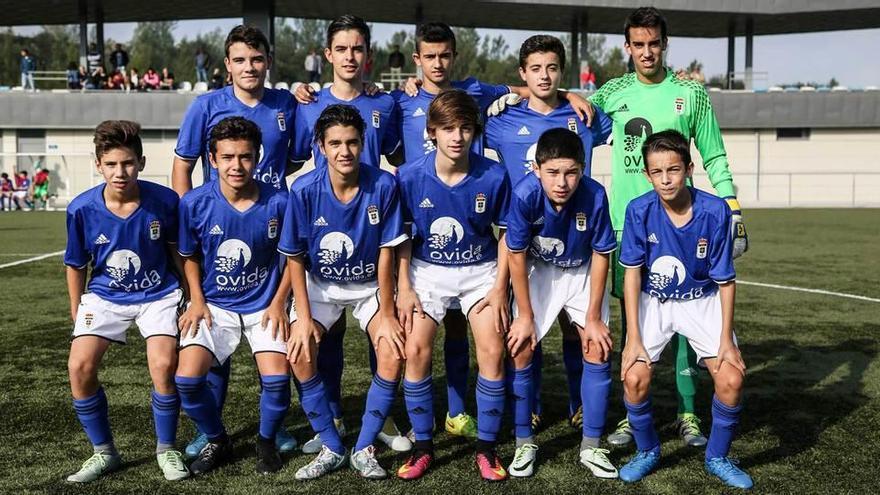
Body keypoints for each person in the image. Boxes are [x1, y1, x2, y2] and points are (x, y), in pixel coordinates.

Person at [588, 6, 749, 448]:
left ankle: (687, 412)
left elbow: (713, 154)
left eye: (653, 43)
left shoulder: (690, 94)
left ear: (665, 44)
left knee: (687, 308)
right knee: (635, 317)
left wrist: (732, 207)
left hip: (686, 223)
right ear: (627, 47)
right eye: (638, 44)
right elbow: (570, 114)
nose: (646, 52)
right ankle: (630, 413)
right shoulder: (612, 92)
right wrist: (512, 92)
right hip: (627, 224)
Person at [172, 24, 298, 458]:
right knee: (211, 352)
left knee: (276, 360)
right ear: (227, 65)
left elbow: (304, 150)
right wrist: (194, 213)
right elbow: (183, 167)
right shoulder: (205, 105)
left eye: (257, 59)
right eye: (240, 60)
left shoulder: (285, 102)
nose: (249, 67)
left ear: (268, 62)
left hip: (269, 224)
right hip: (218, 226)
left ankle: (273, 427)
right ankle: (211, 430)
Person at [289, 15, 410, 456]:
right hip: (326, 238)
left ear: (368, 55)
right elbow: (289, 163)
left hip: (372, 229)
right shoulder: (304, 103)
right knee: (325, 342)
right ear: (327, 55)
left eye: (357, 49)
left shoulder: (386, 104)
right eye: (341, 49)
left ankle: (383, 418)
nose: (349, 57)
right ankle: (334, 416)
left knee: (384, 339)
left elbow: (400, 156)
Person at [484, 34, 613, 443]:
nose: (544, 76)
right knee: (528, 336)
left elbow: (630, 121)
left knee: (580, 333)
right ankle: (534, 408)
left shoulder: (586, 116)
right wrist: (511, 92)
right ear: (523, 73)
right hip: (528, 250)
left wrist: (576, 95)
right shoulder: (501, 120)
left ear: (563, 72)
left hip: (578, 243)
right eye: (535, 69)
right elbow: (458, 97)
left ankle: (579, 406)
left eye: (552, 68)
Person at [617, 130, 751, 489]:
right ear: (646, 174)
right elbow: (631, 275)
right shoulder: (639, 210)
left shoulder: (715, 210)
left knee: (731, 379)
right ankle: (647, 450)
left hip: (702, 299)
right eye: (657, 172)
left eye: (673, 170)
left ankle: (718, 457)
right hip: (655, 302)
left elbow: (725, 280)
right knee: (634, 377)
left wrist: (726, 341)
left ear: (689, 168)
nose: (665, 179)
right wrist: (632, 338)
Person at [281, 104, 408, 480]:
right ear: (320, 146)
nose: (344, 151)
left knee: (392, 350)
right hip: (320, 285)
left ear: (362, 142)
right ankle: (331, 446)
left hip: (370, 285)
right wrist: (303, 319)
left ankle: (365, 446)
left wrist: (387, 312)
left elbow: (387, 252)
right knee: (299, 352)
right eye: (335, 143)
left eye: (352, 142)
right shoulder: (304, 189)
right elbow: (295, 258)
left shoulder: (383, 185)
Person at [395, 90, 511, 481]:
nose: (457, 137)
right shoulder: (410, 176)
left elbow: (507, 235)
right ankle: (424, 448)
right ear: (432, 132)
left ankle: (487, 449)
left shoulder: (493, 174)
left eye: (465, 128)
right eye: (448, 129)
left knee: (493, 350)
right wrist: (405, 288)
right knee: (415, 349)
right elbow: (402, 239)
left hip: (480, 272)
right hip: (426, 271)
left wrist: (499, 287)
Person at [63, 120, 188, 483]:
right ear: (98, 164)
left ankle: (166, 449)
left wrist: (193, 297)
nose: (121, 172)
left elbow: (178, 253)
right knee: (79, 367)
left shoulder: (164, 202)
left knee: (164, 365)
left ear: (142, 162)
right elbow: (75, 264)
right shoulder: (81, 209)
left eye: (128, 163)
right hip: (104, 295)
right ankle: (104, 453)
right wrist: (77, 310)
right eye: (112, 164)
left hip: (158, 294)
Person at [504, 128, 617, 478]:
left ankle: (592, 446)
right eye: (553, 172)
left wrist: (595, 316)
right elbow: (516, 255)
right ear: (537, 169)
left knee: (597, 347)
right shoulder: (524, 194)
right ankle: (524, 442)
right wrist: (524, 315)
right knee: (521, 346)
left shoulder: (596, 195)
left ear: (582, 169)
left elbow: (601, 255)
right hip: (540, 269)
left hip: (582, 268)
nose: (562, 182)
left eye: (571, 172)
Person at [398, 22, 595, 161]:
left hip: (470, 196)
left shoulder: (474, 90)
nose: (438, 64)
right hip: (420, 199)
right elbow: (394, 155)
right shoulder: (401, 100)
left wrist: (568, 95)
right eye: (430, 56)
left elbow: (528, 89)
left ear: (455, 56)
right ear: (417, 59)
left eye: (445, 56)